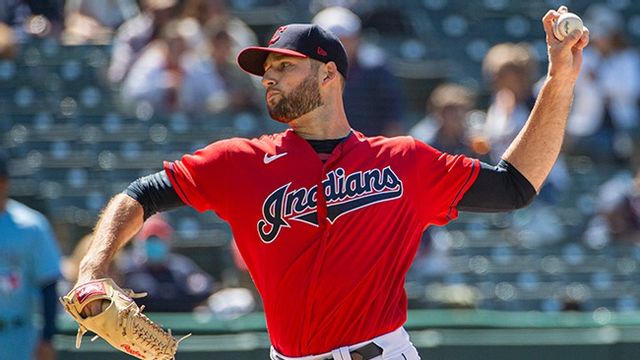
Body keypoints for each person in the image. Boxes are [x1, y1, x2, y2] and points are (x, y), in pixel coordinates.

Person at [73, 6, 588, 359]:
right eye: (266, 68)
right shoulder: (239, 162)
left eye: (283, 66)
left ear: (328, 76)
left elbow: (515, 185)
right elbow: (140, 194)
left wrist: (560, 80)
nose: (269, 76)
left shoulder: (404, 160)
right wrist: (94, 266)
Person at [0, 151, 61, 360]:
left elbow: (49, 285)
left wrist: (47, 338)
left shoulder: (30, 226)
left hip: (18, 336)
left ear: (5, 181)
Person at [312, 6, 406, 137]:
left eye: (344, 40)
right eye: (332, 41)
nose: (339, 46)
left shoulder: (377, 69)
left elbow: (393, 122)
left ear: (356, 39)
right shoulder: (307, 72)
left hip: (371, 150)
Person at [566, 4, 640, 163]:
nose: (600, 39)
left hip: (622, 123)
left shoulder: (628, 58)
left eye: (605, 35)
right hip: (586, 125)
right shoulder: (585, 56)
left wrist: (600, 80)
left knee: (621, 147)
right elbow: (577, 87)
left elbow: (631, 90)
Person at [117, 214, 215, 312]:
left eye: (159, 240)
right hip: (136, 324)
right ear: (140, 241)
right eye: (150, 240)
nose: (154, 245)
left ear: (168, 242)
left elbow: (204, 287)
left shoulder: (182, 267)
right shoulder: (126, 267)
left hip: (178, 322)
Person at [409, 82, 489, 159]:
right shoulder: (423, 141)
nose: (459, 116)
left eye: (463, 110)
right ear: (440, 113)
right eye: (453, 112)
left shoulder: (470, 136)